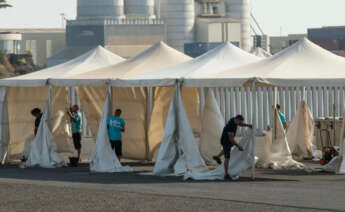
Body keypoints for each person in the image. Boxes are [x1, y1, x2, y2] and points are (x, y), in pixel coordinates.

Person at [212, 115, 252, 180]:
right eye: (239, 122)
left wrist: (248, 125)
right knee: (227, 158)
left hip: (228, 140)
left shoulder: (234, 120)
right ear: (237, 120)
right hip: (226, 141)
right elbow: (231, 140)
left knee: (226, 149)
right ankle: (226, 174)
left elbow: (241, 124)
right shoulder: (230, 126)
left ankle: (217, 157)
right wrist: (239, 146)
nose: (239, 124)